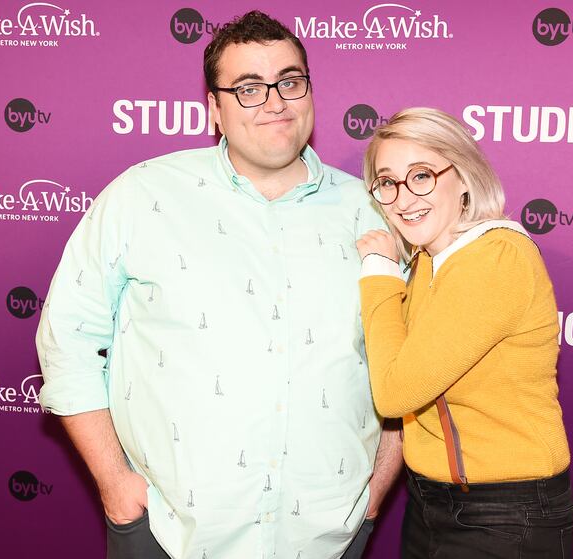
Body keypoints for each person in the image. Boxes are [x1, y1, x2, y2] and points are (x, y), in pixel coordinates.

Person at [36, 11, 401, 559]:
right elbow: (67, 336)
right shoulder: (143, 197)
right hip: (166, 533)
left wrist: (372, 494)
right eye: (249, 88)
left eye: (290, 81)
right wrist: (115, 485)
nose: (275, 102)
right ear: (215, 107)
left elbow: (411, 361)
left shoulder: (377, 211)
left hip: (330, 535)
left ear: (309, 91)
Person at [355, 107, 573, 559]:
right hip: (430, 501)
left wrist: (378, 273)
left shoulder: (497, 255)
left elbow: (396, 392)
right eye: (388, 181)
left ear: (464, 176)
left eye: (421, 175)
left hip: (504, 512)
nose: (403, 197)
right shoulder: (428, 262)